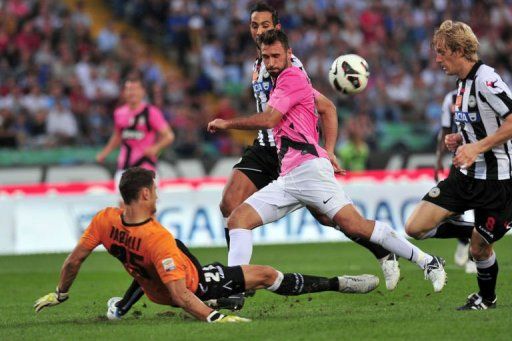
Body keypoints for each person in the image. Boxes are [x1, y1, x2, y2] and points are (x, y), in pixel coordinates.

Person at [207, 29, 446, 293]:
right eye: (266, 57)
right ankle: (235, 289)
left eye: (276, 56)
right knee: (238, 219)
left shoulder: (292, 77)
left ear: (289, 54)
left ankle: (428, 261)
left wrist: (226, 122)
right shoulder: (278, 82)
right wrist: (329, 150)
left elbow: (269, 119)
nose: (272, 62)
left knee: (354, 225)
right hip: (289, 177)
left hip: (309, 171)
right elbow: (324, 108)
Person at [33, 167, 380, 322]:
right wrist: (213, 316)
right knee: (264, 275)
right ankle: (339, 284)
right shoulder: (157, 238)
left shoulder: (104, 220)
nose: (157, 194)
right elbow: (182, 295)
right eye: (154, 189)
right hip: (191, 285)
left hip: (159, 283)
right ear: (143, 194)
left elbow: (74, 260)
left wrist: (61, 293)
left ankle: (123, 308)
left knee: (164, 257)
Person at [219, 1, 399, 292]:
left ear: (276, 28)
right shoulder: (259, 62)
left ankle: (381, 249)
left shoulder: (291, 66)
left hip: (293, 151)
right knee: (229, 203)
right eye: (254, 26)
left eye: (265, 25)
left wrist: (327, 149)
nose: (259, 30)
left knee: (330, 218)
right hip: (266, 148)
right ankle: (239, 283)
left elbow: (325, 107)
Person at [405, 20, 512, 310]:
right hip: (464, 177)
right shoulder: (461, 83)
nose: (437, 59)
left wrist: (476, 146)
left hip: (496, 182)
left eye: (441, 52)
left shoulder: (485, 79)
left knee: (479, 248)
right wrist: (459, 138)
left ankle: (486, 299)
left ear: (460, 50)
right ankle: (471, 230)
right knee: (414, 227)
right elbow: (479, 125)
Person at [96, 72, 174, 190]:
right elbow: (118, 135)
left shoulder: (151, 112)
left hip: (145, 168)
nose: (131, 92)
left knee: (145, 205)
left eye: (135, 89)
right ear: (123, 93)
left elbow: (169, 136)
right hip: (124, 168)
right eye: (128, 89)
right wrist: (105, 153)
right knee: (123, 205)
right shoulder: (119, 113)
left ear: (143, 92)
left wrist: (156, 148)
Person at [434, 89, 477, 274]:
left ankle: (473, 257)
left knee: (481, 208)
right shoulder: (450, 98)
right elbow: (445, 130)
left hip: (484, 160)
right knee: (453, 212)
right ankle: (463, 239)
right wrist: (438, 158)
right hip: (458, 160)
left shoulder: (484, 88)